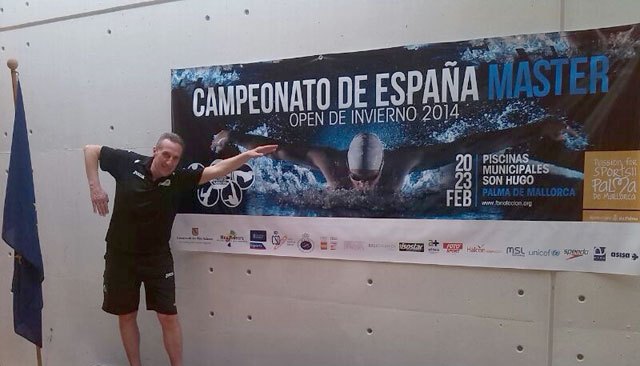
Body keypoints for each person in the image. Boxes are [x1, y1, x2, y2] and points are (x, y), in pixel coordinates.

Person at [84, 133, 276, 366]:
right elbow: (91, 150)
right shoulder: (128, 163)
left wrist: (247, 156)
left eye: (175, 158)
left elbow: (217, 170)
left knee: (168, 317)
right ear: (155, 150)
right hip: (120, 256)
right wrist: (95, 187)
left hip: (157, 258)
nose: (170, 162)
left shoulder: (178, 179)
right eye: (166, 155)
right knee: (126, 315)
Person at [212, 118, 572, 193]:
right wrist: (235, 136)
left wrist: (535, 129)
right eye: (357, 178)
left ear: (384, 164)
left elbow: (467, 146)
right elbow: (276, 150)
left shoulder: (405, 162)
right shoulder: (327, 162)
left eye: (369, 178)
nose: (362, 186)